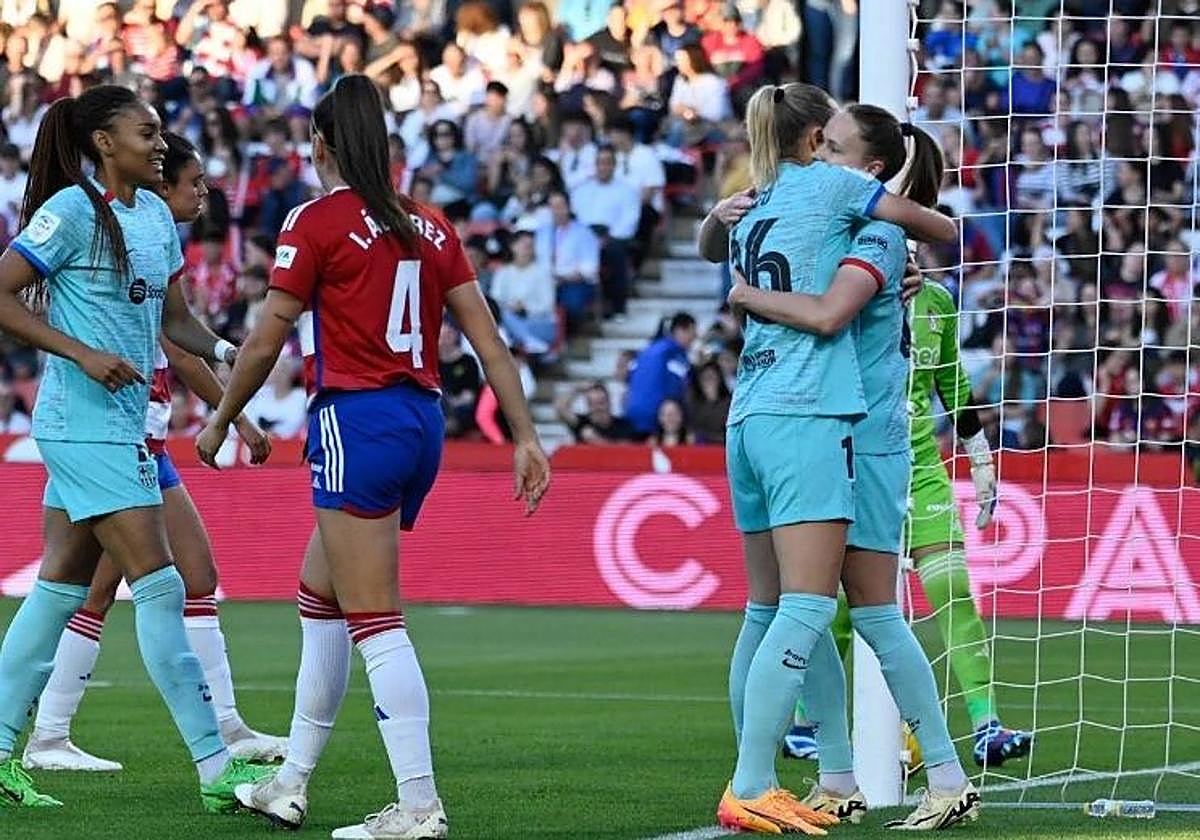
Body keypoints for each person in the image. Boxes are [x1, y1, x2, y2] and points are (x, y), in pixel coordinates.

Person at [193, 75, 550, 838]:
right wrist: (524, 435)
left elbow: (267, 336)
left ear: (319, 144)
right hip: (421, 417)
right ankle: (290, 782)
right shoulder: (429, 223)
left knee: (377, 621)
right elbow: (487, 338)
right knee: (318, 594)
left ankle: (419, 806)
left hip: (356, 417)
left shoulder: (314, 221)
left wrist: (224, 415)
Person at [693, 83, 957, 834]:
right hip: (822, 420)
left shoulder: (781, 206)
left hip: (799, 421)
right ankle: (796, 777)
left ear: (867, 166)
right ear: (814, 141)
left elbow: (735, 257)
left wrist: (738, 276)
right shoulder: (839, 210)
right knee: (819, 609)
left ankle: (887, 773)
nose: (828, 154)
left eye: (842, 147)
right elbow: (835, 301)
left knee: (797, 609)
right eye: (827, 139)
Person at [0, 85, 272, 809]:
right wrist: (80, 352)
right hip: (79, 421)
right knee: (161, 583)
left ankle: (0, 754)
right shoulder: (69, 213)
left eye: (160, 132)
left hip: (121, 427)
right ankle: (218, 768)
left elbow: (174, 323)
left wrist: (230, 350)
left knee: (57, 588)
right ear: (103, 143)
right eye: (146, 132)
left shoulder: (154, 215)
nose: (160, 144)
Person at [624, 312, 695, 437]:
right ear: (680, 330)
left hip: (631, 417)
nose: (693, 339)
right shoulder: (674, 353)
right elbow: (676, 390)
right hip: (656, 422)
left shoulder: (646, 350)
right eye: (692, 333)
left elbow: (628, 378)